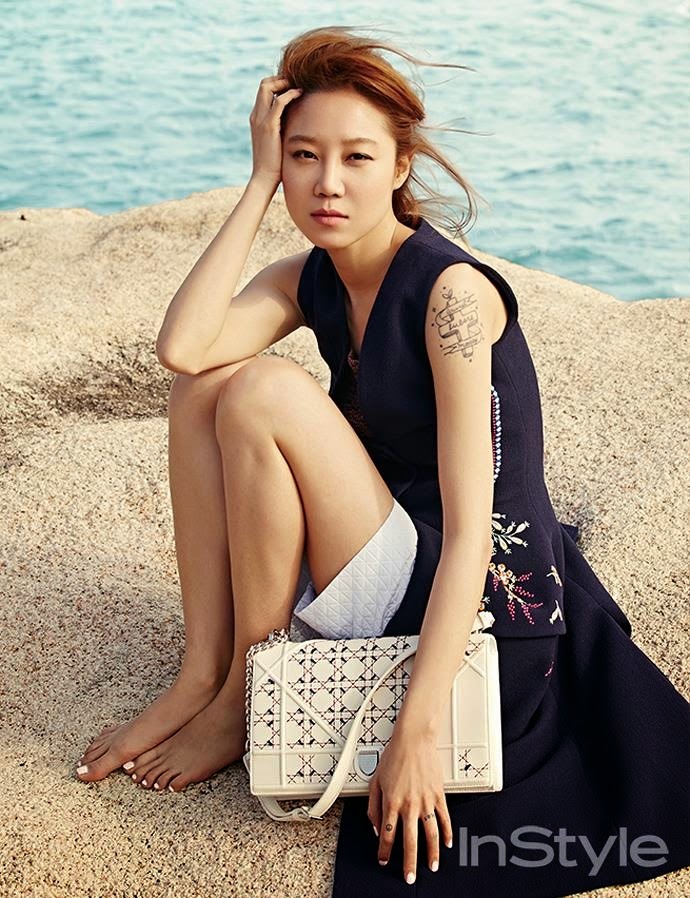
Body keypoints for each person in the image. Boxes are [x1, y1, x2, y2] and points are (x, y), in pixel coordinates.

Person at [75, 25, 690, 897]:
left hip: (474, 600)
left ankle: (246, 696)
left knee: (261, 390)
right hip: (385, 548)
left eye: (357, 157)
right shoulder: (311, 276)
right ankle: (203, 675)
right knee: (204, 386)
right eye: (303, 157)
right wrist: (254, 184)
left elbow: (475, 530)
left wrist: (419, 730)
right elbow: (183, 349)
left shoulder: (451, 295)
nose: (327, 183)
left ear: (400, 166)